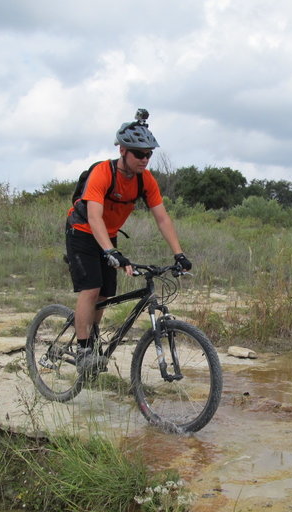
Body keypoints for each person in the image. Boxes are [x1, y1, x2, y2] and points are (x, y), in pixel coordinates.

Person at [65, 109, 192, 372]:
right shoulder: (103, 173)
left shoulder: (145, 180)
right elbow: (94, 216)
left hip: (107, 235)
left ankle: (93, 336)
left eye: (149, 154)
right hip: (83, 231)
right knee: (90, 288)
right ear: (122, 150)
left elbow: (162, 219)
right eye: (139, 153)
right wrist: (110, 250)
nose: (145, 159)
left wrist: (179, 254)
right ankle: (83, 349)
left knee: (106, 293)